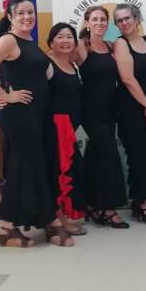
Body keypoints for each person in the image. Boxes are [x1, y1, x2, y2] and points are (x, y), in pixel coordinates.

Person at [0, 0, 73, 247]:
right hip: (19, 116)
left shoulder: (30, 42)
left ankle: (43, 219)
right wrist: (4, 95)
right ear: (10, 16)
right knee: (24, 167)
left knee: (36, 166)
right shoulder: (9, 40)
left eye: (31, 12)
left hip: (36, 115)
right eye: (21, 13)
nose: (27, 17)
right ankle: (9, 227)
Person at [76, 6, 129, 229]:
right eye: (95, 19)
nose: (99, 22)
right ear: (87, 23)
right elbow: (54, 57)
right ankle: (108, 209)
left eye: (103, 19)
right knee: (109, 156)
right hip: (91, 111)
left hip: (110, 109)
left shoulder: (109, 46)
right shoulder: (81, 46)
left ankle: (91, 204)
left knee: (95, 156)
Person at [113, 3, 146, 225]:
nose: (124, 23)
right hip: (134, 107)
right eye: (119, 20)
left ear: (136, 18)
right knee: (140, 155)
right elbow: (127, 78)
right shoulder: (120, 44)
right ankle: (144, 204)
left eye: (127, 18)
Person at [45, 23, 87, 236]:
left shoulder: (72, 64)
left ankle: (63, 217)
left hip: (71, 127)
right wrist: (4, 96)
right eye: (60, 37)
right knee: (60, 173)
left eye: (69, 37)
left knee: (71, 171)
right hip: (56, 127)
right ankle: (58, 221)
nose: (65, 41)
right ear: (51, 41)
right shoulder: (46, 64)